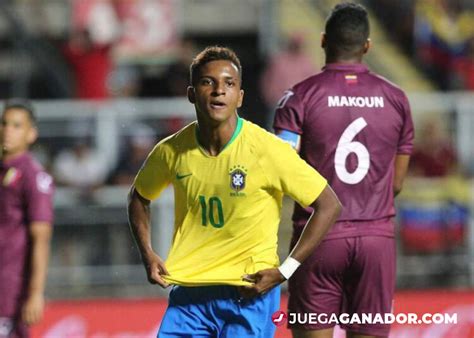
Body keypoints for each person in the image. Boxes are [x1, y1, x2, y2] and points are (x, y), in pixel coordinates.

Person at [128, 46, 341, 338]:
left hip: (249, 293)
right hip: (190, 294)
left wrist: (286, 270)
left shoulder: (267, 150)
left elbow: (329, 204)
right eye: (208, 82)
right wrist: (147, 253)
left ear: (240, 96)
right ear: (191, 94)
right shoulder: (170, 151)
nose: (219, 91)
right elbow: (139, 198)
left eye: (229, 83)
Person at [273, 3, 414, 338]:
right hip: (375, 241)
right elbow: (397, 183)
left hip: (317, 239)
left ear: (323, 41)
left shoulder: (298, 98)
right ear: (367, 46)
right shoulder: (395, 98)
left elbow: (283, 172)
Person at [0, 99, 54, 337]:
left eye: (16, 125)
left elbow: (41, 238)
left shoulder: (34, 177)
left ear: (31, 134)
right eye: (4, 123)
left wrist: (35, 292)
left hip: (10, 288)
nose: (7, 130)